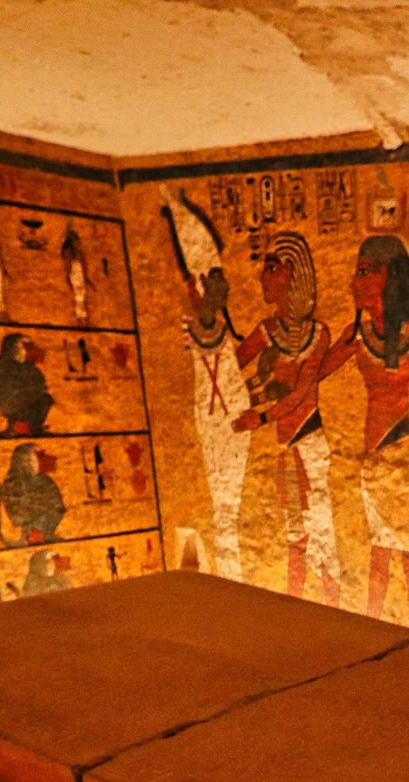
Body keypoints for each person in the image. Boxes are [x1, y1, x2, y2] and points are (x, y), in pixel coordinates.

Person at [322, 234, 409, 629]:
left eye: (362, 272)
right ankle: (374, 633)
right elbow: (317, 373)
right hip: (372, 459)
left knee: (408, 556)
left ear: (385, 276)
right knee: (380, 553)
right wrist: (339, 341)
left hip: (401, 451)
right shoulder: (358, 336)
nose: (354, 283)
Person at [232, 231, 343, 605]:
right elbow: (230, 371)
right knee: (295, 535)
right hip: (285, 446)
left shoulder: (317, 334)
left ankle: (334, 610)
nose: (263, 278)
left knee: (320, 535)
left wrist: (259, 418)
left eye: (273, 269)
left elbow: (299, 394)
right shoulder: (268, 332)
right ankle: (295, 607)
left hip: (308, 441)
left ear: (295, 276)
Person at [160, 186, 250, 581]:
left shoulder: (215, 326)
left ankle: (233, 571)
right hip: (220, 417)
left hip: (229, 413)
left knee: (231, 503)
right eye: (216, 278)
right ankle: (232, 574)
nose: (224, 284)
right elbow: (203, 301)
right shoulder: (204, 325)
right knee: (226, 505)